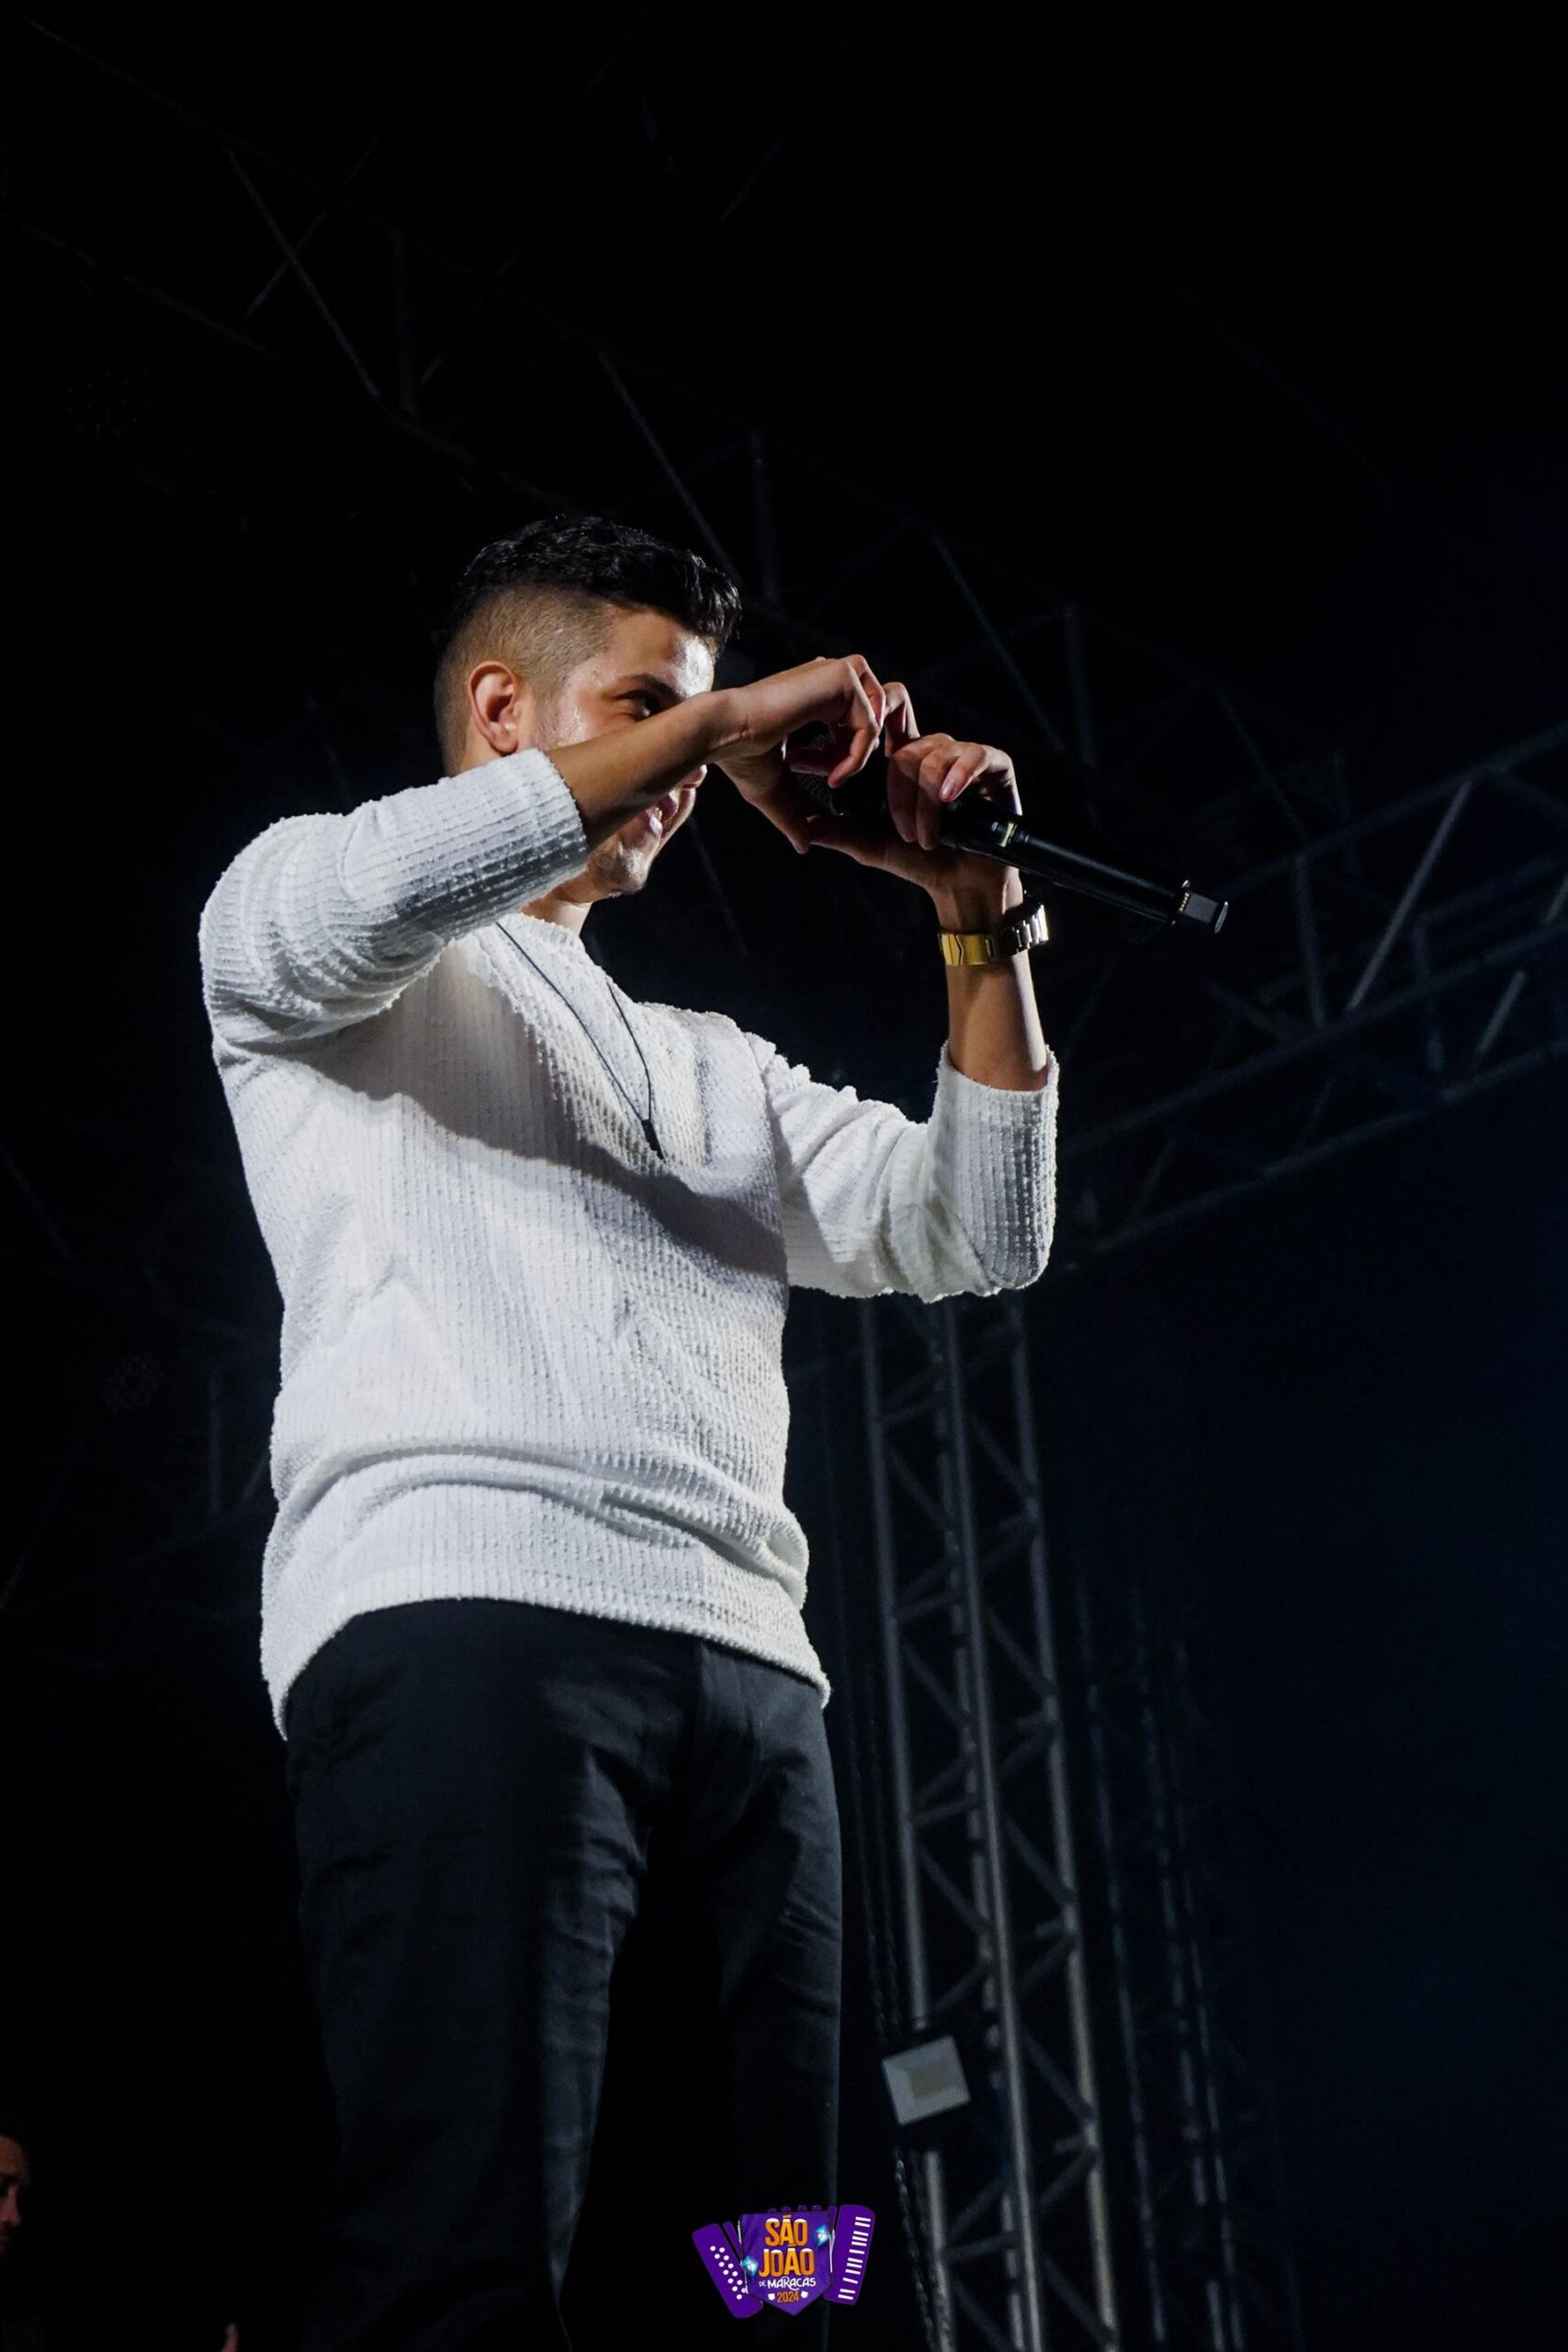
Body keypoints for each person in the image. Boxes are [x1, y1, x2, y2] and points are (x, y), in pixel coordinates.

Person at [197, 516, 1059, 2348]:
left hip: (752, 1694)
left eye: (698, 714)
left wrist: (970, 907)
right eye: (646, 705)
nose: (695, 765)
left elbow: (983, 1228)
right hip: (473, 1638)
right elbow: (382, 891)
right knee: (474, 2255)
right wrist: (735, 718)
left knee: (782, 2276)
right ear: (502, 710)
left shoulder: (709, 1063)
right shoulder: (305, 916)